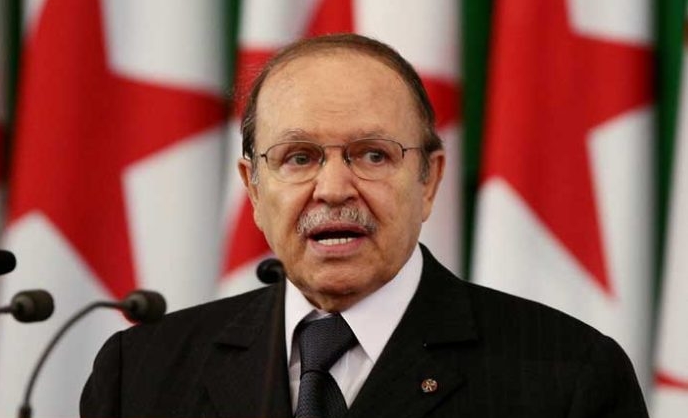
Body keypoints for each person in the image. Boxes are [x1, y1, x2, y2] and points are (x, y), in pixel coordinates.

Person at [80, 33, 648, 418]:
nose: (333, 188)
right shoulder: (141, 375)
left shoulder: (567, 376)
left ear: (428, 180)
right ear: (253, 188)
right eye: (299, 157)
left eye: (373, 155)